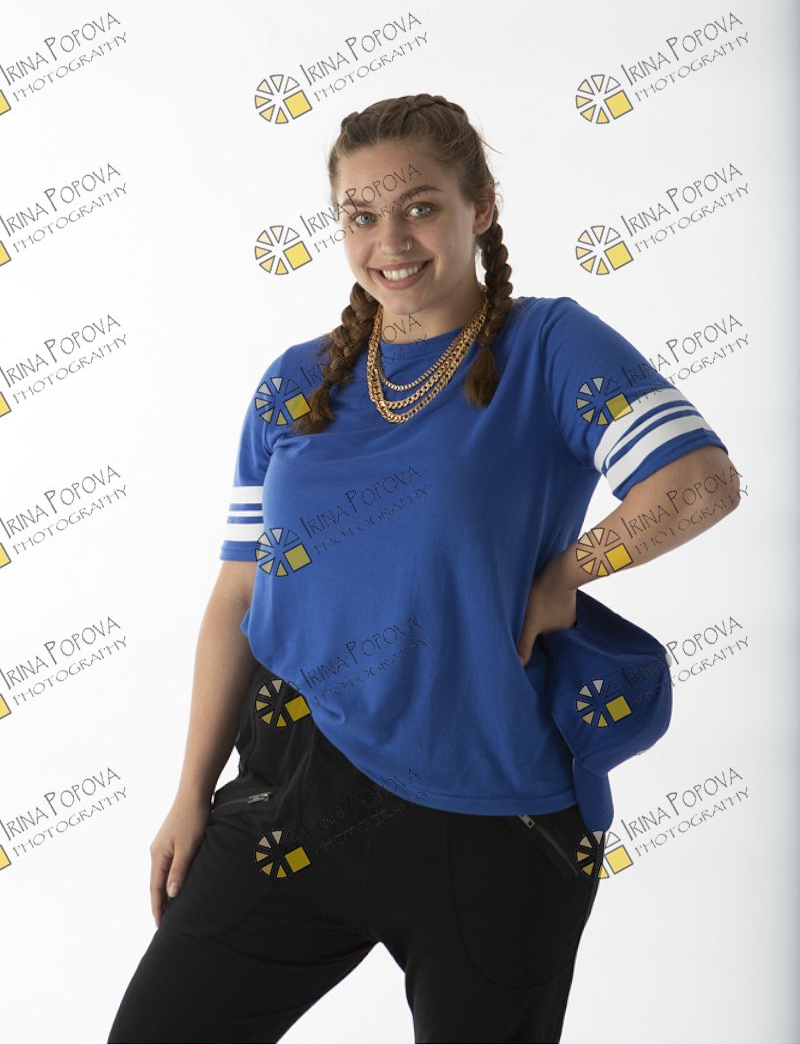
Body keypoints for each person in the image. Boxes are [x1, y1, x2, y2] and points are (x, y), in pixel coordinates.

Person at [107, 93, 739, 1044]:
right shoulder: (295, 382)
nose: (390, 240)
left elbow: (701, 481)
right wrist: (191, 792)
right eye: (361, 215)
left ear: (480, 207)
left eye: (420, 207)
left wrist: (566, 573)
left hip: (494, 819)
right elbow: (238, 592)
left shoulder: (548, 345)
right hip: (292, 788)